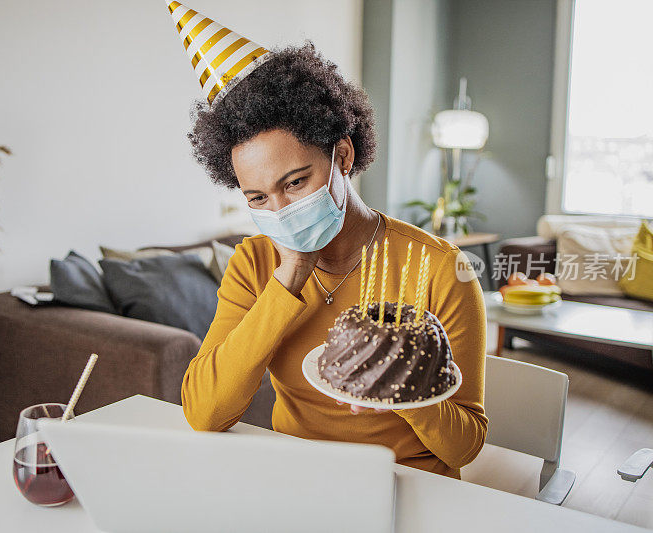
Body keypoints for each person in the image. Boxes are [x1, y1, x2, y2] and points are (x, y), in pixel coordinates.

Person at [166, 4, 487, 479]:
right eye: (258, 196)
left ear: (342, 153)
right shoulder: (255, 263)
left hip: (411, 483)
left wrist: (401, 385)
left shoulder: (439, 268)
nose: (281, 210)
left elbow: (464, 446)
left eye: (295, 182)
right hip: (297, 481)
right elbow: (204, 412)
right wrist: (289, 278)